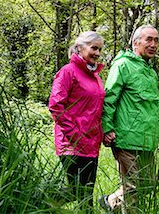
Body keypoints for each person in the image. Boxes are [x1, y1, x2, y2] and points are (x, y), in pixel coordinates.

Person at [99, 25, 159, 213]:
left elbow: (155, 107)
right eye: (149, 40)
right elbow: (109, 99)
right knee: (133, 188)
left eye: (156, 40)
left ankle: (110, 201)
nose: (153, 44)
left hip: (148, 140)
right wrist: (107, 128)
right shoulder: (122, 65)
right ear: (136, 42)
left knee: (149, 185)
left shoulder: (151, 72)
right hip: (126, 138)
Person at [48, 31, 105, 209]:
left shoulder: (95, 76)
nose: (97, 53)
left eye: (100, 49)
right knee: (77, 192)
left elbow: (96, 109)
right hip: (72, 144)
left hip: (91, 143)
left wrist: (103, 133)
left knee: (86, 195)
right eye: (93, 48)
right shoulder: (67, 72)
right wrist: (76, 136)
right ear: (80, 48)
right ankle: (37, 204)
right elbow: (56, 106)